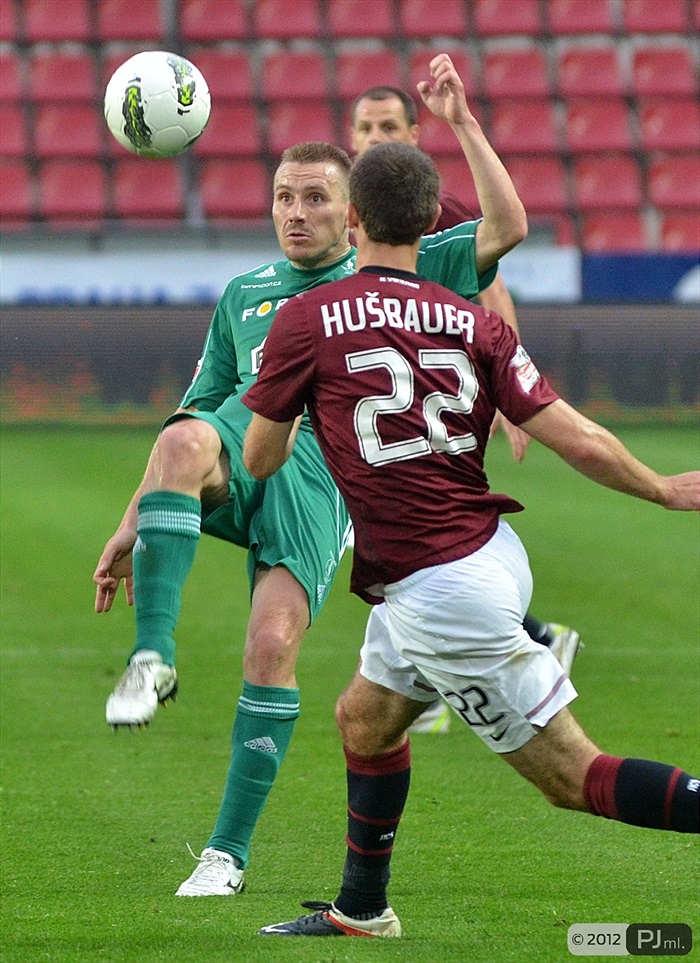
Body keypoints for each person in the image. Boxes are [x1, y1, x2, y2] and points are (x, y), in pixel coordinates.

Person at [92, 53, 527, 897]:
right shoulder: (244, 293)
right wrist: (131, 516)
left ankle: (226, 853)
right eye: (284, 198)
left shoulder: (391, 271)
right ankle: (153, 657)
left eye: (316, 198)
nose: (296, 213)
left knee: (271, 646)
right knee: (182, 442)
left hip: (317, 478)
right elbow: (195, 409)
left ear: (352, 213)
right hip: (239, 446)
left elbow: (505, 227)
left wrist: (463, 124)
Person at [241, 141, 700, 938]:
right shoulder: (475, 320)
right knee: (366, 717)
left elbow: (259, 458)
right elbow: (577, 436)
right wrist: (661, 487)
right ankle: (363, 908)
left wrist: (301, 407)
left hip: (440, 589)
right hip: (488, 552)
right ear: (430, 221)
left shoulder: (307, 319)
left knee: (573, 775)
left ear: (353, 218)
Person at [350, 84, 581, 734]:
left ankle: (500, 652)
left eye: (388, 125)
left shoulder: (435, 212)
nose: (375, 137)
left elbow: (492, 290)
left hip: (428, 400)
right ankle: (481, 654)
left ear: (414, 134)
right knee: (395, 533)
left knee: (409, 528)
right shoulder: (348, 207)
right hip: (375, 397)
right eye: (365, 127)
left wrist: (510, 390)